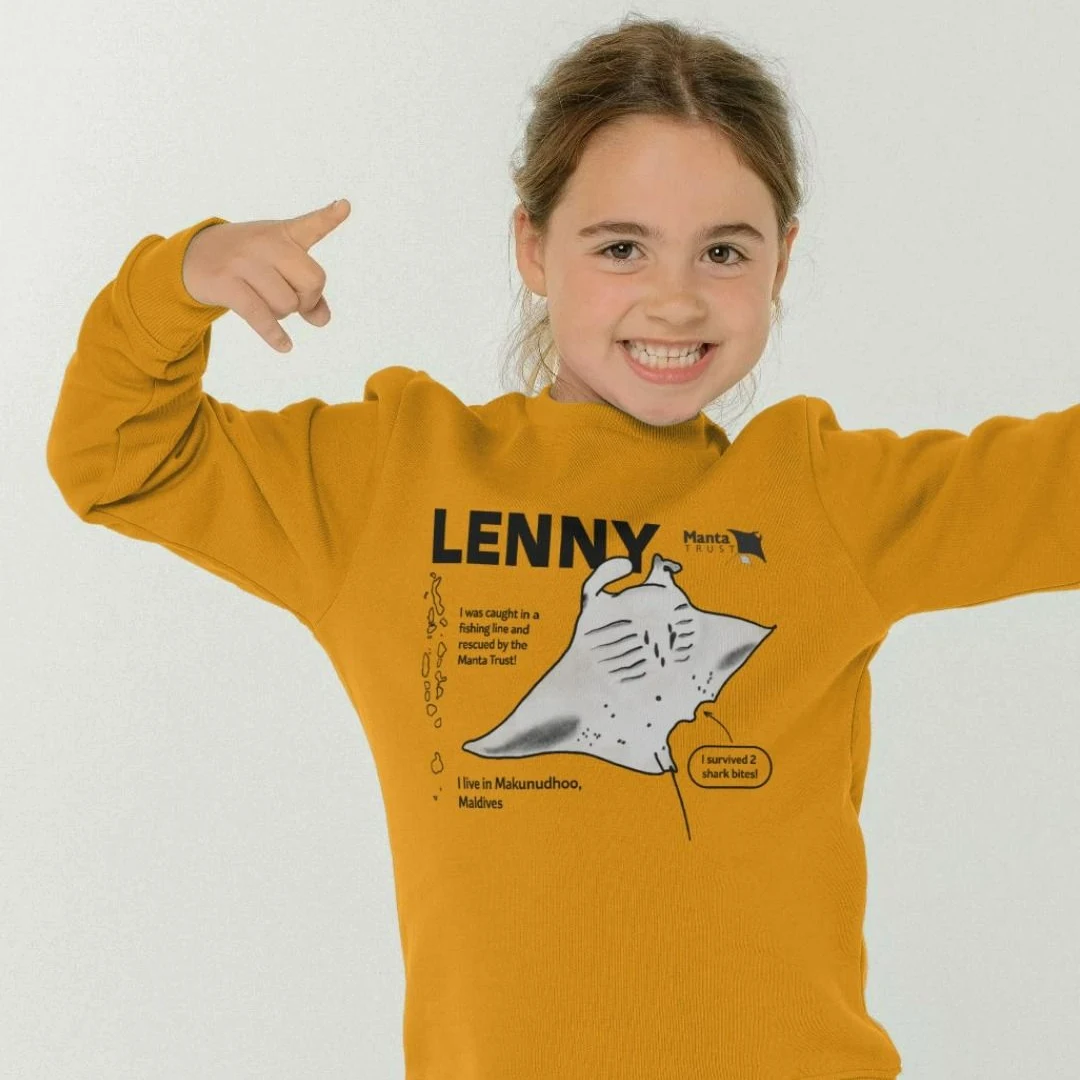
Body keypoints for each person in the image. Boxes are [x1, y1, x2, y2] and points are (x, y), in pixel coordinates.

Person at [43, 13, 1080, 1080]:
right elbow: (119, 458)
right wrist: (178, 281)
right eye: (621, 247)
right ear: (533, 247)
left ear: (782, 261)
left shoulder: (826, 501)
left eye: (725, 251)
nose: (675, 298)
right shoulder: (395, 483)